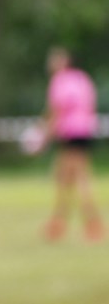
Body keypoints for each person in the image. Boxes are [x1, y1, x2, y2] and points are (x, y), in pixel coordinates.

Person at [43, 47, 103, 242]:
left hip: (69, 132)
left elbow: (56, 112)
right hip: (85, 131)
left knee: (72, 178)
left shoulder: (59, 81)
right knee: (70, 177)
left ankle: (84, 222)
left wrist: (43, 137)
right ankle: (61, 221)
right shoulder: (82, 78)